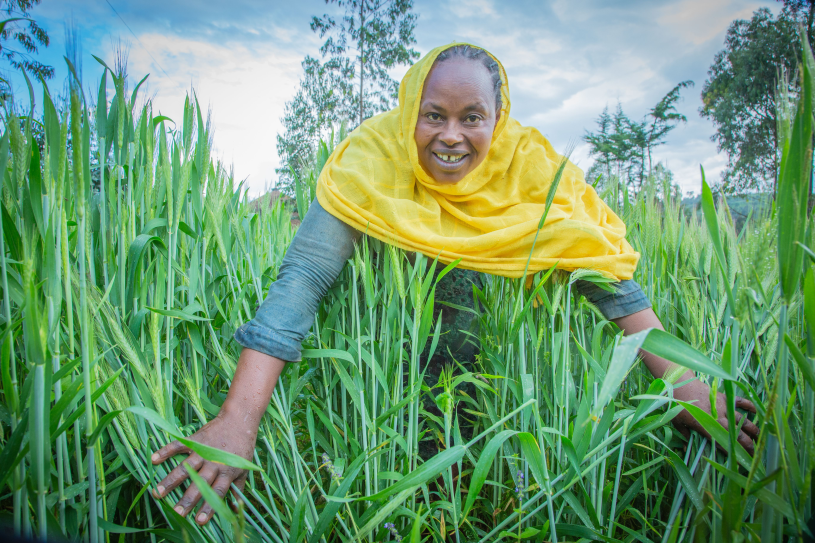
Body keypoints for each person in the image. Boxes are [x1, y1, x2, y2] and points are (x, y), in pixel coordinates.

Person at [150, 44, 758, 525]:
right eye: (432, 115)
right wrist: (239, 419)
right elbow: (304, 278)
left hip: (503, 400)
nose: (450, 136)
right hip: (377, 398)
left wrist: (687, 388)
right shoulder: (373, 159)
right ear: (410, 110)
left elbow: (607, 280)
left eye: (473, 118)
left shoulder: (534, 170)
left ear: (500, 118)